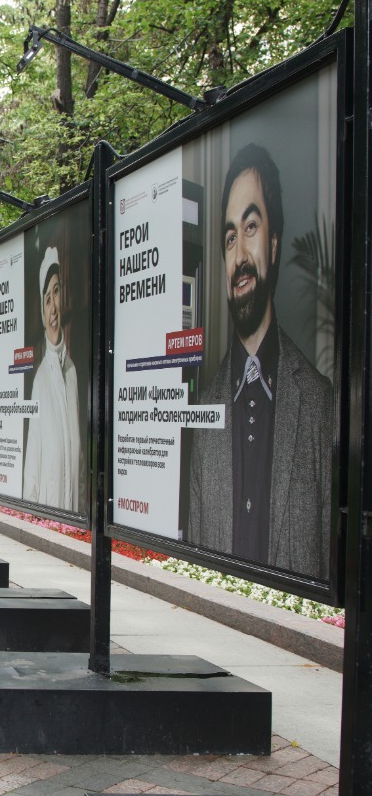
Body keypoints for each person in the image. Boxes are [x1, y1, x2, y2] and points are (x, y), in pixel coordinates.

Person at [187, 144, 332, 578]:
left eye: (251, 226)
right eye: (230, 237)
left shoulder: (318, 403)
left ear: (272, 242)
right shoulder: (205, 411)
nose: (239, 256)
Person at [23, 245, 83, 511]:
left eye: (56, 292)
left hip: (72, 513)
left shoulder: (72, 372)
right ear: (42, 312)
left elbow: (79, 459)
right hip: (49, 510)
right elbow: (33, 460)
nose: (53, 309)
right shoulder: (40, 381)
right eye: (47, 299)